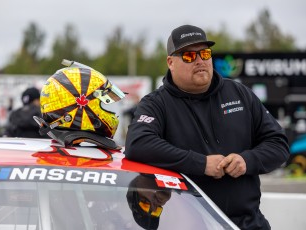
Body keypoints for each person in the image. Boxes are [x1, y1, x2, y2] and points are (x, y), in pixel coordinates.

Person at [124, 25, 290, 230]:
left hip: (247, 224)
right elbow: (138, 143)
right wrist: (201, 164)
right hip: (189, 225)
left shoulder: (239, 94)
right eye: (188, 56)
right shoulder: (156, 104)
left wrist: (247, 160)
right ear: (170, 63)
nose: (199, 60)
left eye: (204, 53)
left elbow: (278, 144)